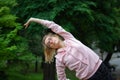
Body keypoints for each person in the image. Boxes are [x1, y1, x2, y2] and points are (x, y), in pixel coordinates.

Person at [24, 17, 115, 80]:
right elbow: (61, 78)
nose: (51, 42)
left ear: (56, 35)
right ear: (51, 48)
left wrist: (33, 19)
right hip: (90, 78)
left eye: (50, 39)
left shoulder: (69, 38)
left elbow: (51, 24)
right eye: (49, 44)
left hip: (100, 67)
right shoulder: (59, 59)